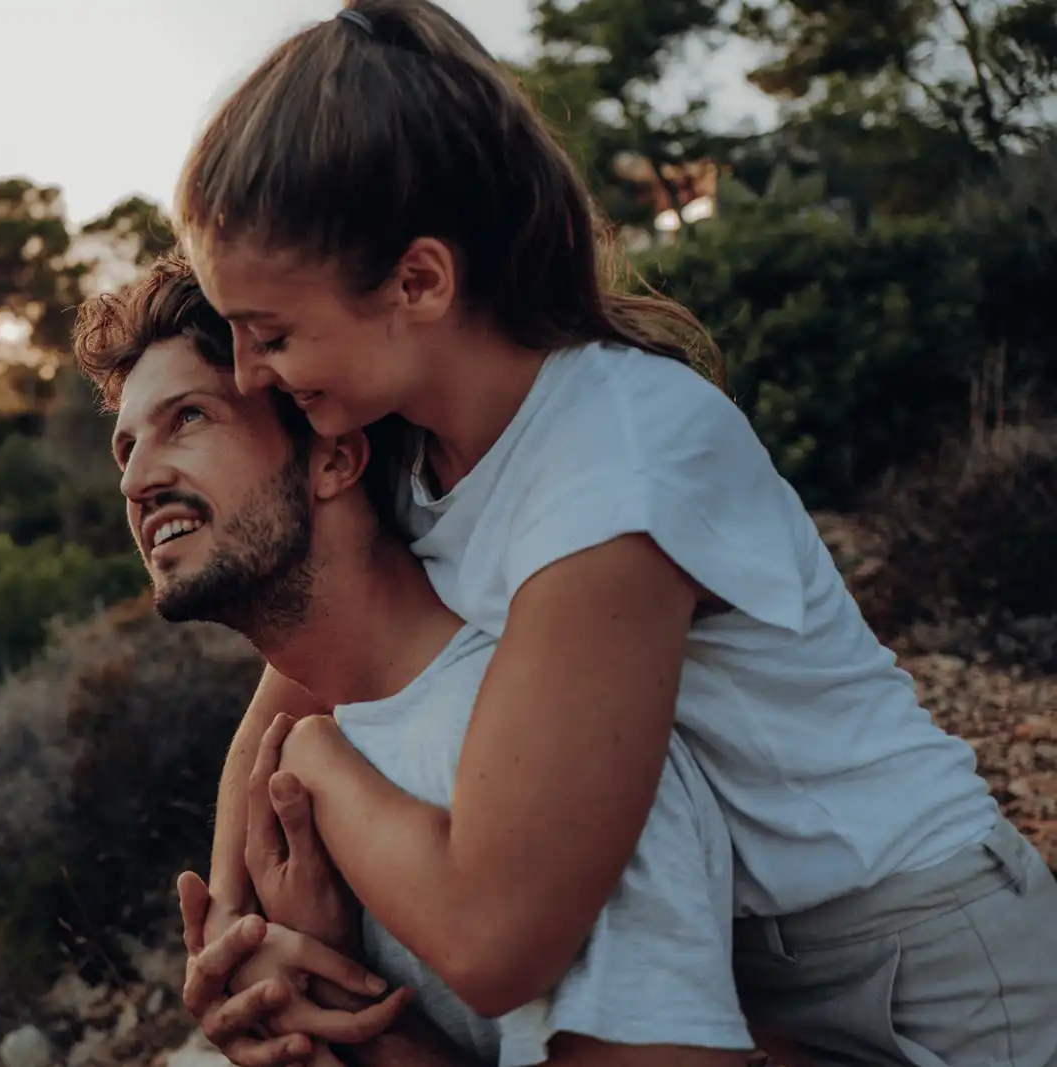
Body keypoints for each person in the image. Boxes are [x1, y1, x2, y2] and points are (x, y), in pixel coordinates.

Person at [172, 3, 1057, 1066]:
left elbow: (496, 938)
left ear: (419, 282)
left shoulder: (617, 455)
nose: (248, 373)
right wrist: (235, 933)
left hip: (928, 972)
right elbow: (295, 689)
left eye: (270, 332)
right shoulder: (408, 450)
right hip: (742, 975)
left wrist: (318, 761)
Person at [76, 255, 755, 1067]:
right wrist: (317, 1013)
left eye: (188, 417)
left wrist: (350, 1010)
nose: (137, 480)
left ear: (335, 456)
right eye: (124, 448)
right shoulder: (316, 776)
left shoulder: (543, 748)